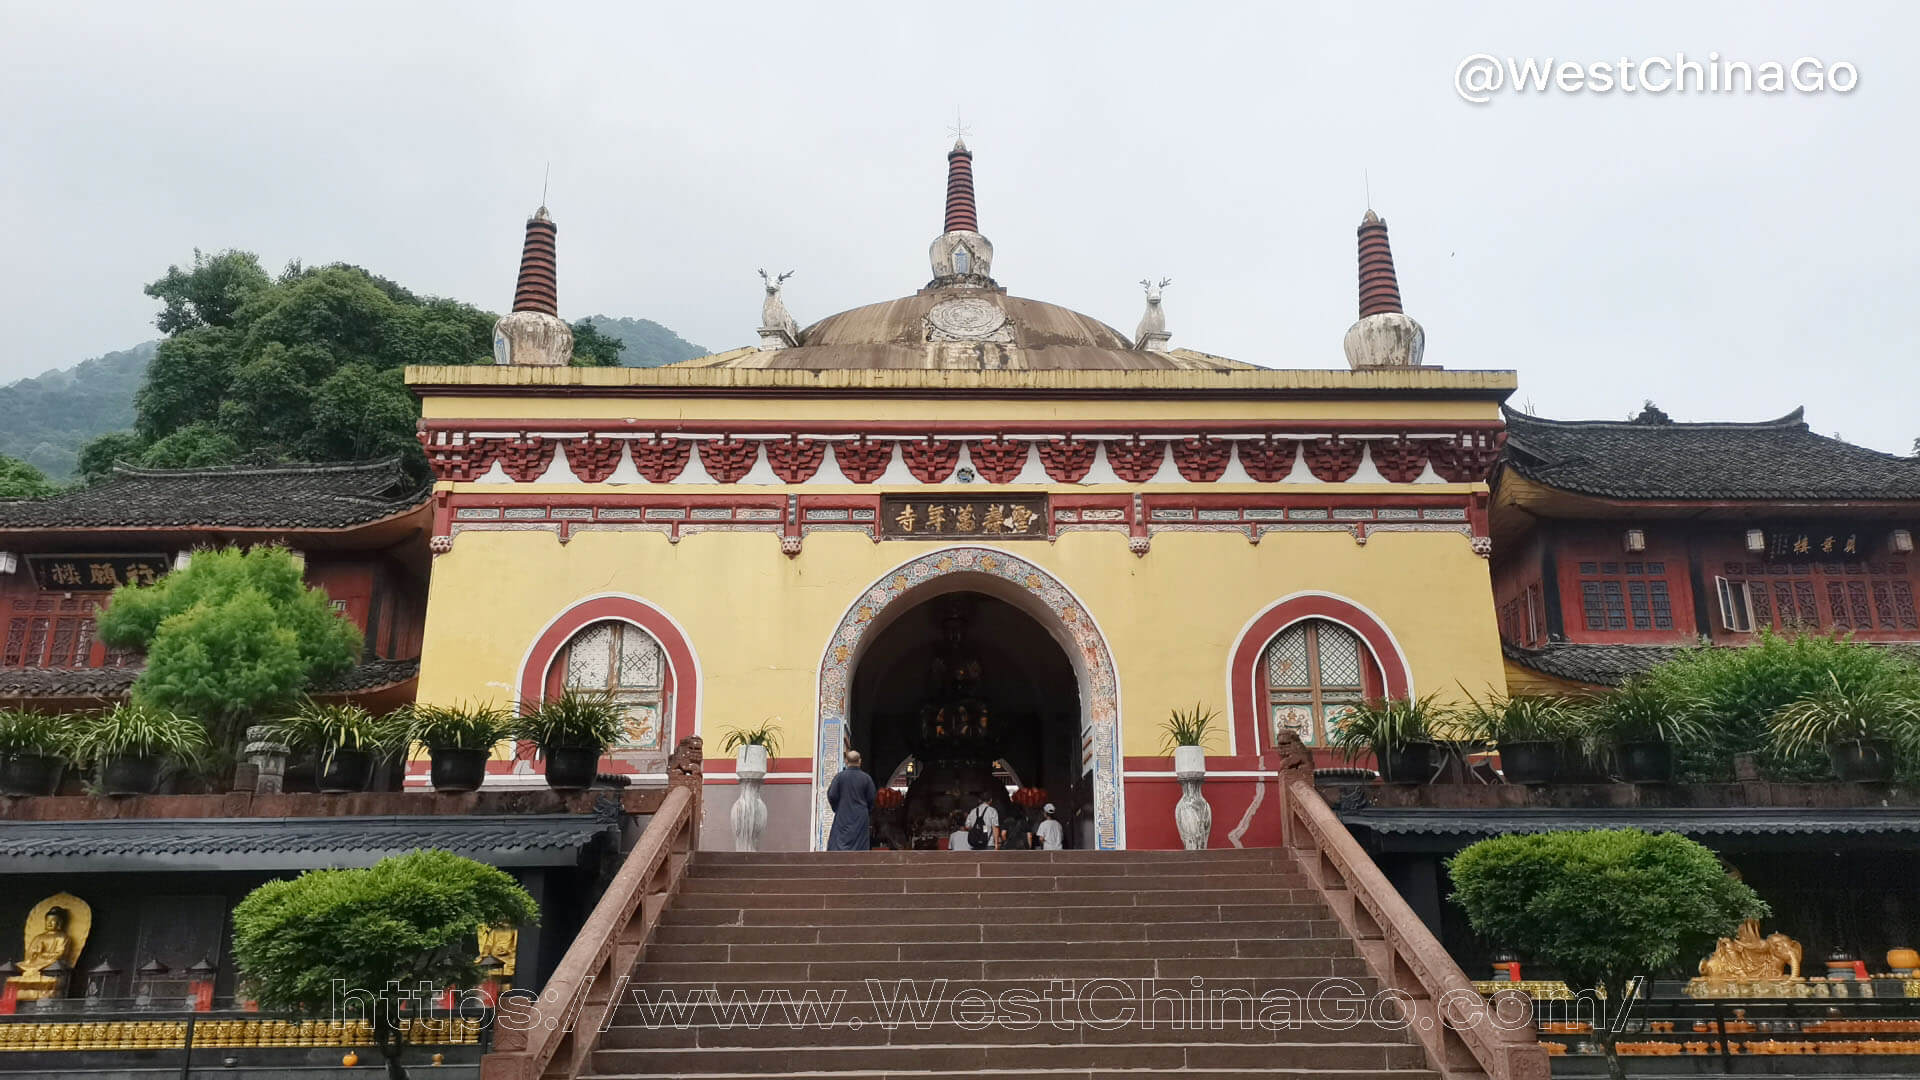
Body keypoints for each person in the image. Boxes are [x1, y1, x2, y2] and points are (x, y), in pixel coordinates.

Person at [825, 749, 875, 851]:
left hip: (843, 815)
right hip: (860, 817)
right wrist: (865, 809)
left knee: (839, 845)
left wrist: (838, 808)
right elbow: (872, 798)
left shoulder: (839, 777)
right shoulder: (866, 779)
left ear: (846, 761)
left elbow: (832, 795)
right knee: (860, 847)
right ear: (860, 761)